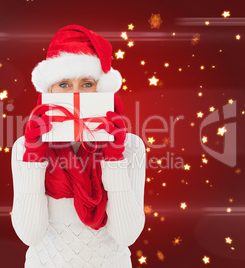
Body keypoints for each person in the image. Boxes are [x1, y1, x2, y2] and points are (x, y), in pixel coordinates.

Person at [11, 25, 146, 268]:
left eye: (86, 84)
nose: (76, 95)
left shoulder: (131, 146)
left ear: (102, 88)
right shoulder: (25, 147)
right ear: (48, 90)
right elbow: (30, 235)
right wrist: (34, 157)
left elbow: (126, 236)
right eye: (63, 84)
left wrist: (114, 158)